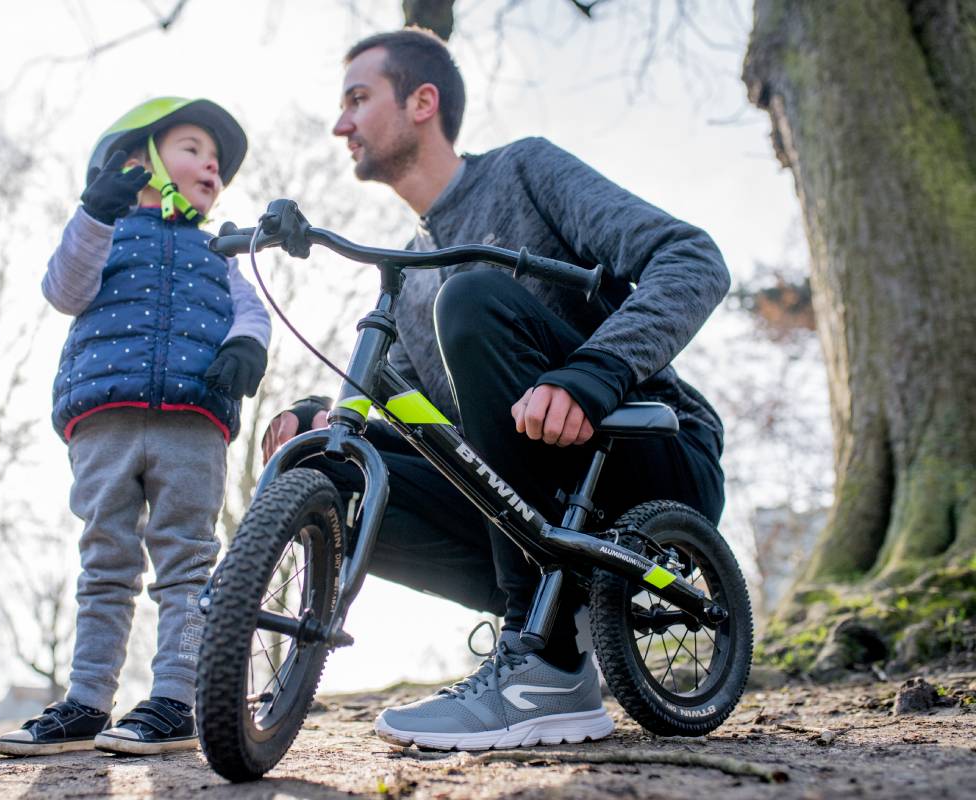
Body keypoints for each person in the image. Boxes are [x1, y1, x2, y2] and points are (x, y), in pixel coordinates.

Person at [263, 29, 730, 750]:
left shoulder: (523, 171)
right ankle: (546, 628)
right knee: (340, 466)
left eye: (358, 99)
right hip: (527, 515)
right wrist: (326, 419)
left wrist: (593, 374)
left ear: (423, 102)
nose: (341, 124)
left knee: (475, 299)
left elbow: (692, 258)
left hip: (650, 458)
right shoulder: (414, 275)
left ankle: (546, 665)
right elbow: (430, 430)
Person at [0, 97, 271, 757]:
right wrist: (94, 211)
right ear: (137, 160)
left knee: (188, 563)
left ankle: (177, 699)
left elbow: (251, 312)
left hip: (194, 421)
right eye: (193, 149)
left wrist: (246, 347)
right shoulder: (106, 230)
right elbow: (65, 290)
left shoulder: (221, 249)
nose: (211, 166)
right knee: (105, 562)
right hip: (105, 418)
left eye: (216, 160)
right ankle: (87, 702)